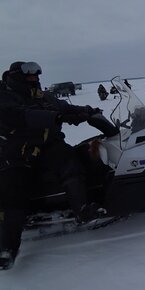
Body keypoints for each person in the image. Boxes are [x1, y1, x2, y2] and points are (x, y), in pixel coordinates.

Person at [0, 61, 103, 270]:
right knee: (14, 192)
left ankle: (81, 208)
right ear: (16, 77)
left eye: (36, 76)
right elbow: (21, 115)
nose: (35, 79)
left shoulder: (41, 95)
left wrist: (87, 111)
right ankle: (7, 249)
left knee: (70, 160)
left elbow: (64, 107)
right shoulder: (5, 96)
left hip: (48, 148)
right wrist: (55, 117)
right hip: (17, 154)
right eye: (30, 77)